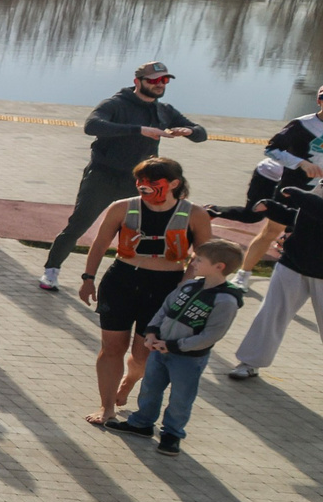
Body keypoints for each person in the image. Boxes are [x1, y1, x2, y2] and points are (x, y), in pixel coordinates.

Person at [40, 62, 208, 291]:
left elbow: (201, 134)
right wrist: (138, 129)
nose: (160, 85)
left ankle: (134, 274)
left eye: (164, 81)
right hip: (103, 176)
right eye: (154, 80)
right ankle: (51, 271)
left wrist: (189, 131)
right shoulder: (116, 104)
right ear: (137, 81)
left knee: (142, 230)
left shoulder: (164, 110)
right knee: (78, 225)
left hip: (139, 182)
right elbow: (92, 125)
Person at [76, 158, 213, 427]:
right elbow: (101, 243)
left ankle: (128, 382)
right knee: (112, 347)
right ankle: (106, 407)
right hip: (121, 281)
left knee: (143, 354)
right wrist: (88, 278)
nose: (143, 186)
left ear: (174, 183)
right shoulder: (122, 208)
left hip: (165, 286)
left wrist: (186, 282)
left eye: (152, 182)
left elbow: (204, 253)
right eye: (140, 180)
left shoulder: (194, 214)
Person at [106, 240, 244, 455]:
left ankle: (172, 433)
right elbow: (165, 309)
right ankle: (141, 423)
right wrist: (151, 332)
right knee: (150, 386)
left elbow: (211, 335)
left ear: (219, 267)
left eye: (199, 259)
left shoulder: (225, 300)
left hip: (188, 358)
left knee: (181, 396)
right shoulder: (189, 286)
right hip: (159, 350)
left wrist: (174, 345)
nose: (193, 262)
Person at [216, 178, 322, 381]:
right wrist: (274, 209)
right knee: (271, 313)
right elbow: (303, 217)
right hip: (294, 262)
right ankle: (251, 362)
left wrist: (300, 196)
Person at [234, 84, 323, 288]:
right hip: (295, 187)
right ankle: (243, 274)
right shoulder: (302, 125)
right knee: (272, 230)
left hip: (321, 191)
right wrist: (301, 163)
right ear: (319, 101)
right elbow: (271, 149)